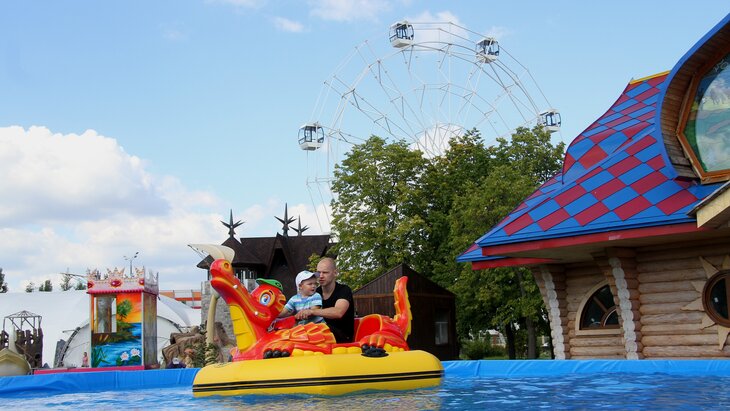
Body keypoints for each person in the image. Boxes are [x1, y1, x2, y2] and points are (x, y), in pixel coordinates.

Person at [295, 257, 355, 343]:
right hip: (319, 333)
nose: (321, 276)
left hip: (342, 337)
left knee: (317, 329)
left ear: (335, 273)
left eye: (325, 272)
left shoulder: (344, 290)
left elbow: (338, 312)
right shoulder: (315, 292)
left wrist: (311, 311)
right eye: (318, 273)